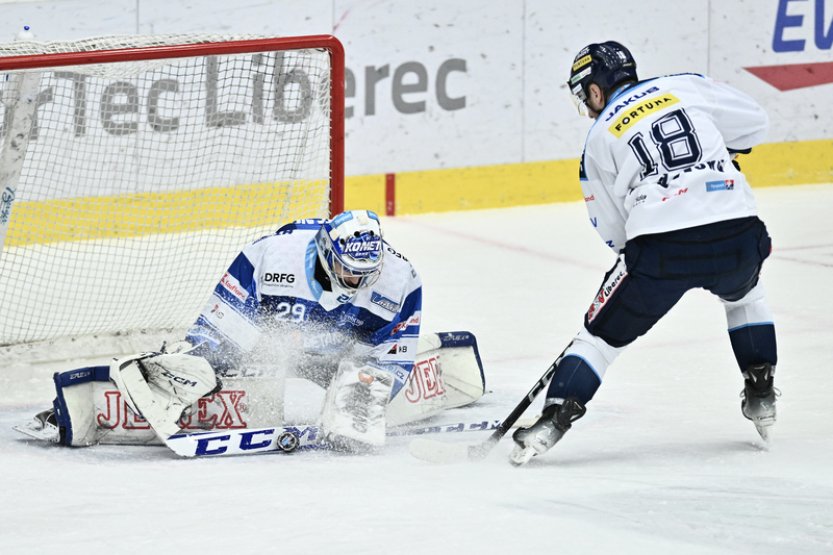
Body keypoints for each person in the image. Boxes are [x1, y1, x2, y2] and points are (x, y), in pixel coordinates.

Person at [510, 41, 778, 465]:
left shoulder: (598, 138)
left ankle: (552, 421)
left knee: (598, 339)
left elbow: (615, 232)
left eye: (585, 96)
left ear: (596, 91)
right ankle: (762, 391)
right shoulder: (686, 86)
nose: (587, 106)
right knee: (746, 296)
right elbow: (755, 125)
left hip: (661, 248)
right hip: (739, 231)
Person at [25, 209, 424, 452]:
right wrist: (204, 360)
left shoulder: (399, 279)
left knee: (358, 414)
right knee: (201, 365)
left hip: (339, 356)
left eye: (365, 275)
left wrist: (369, 391)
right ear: (325, 252)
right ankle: (122, 401)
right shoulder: (270, 253)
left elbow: (394, 353)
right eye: (348, 273)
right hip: (266, 345)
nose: (358, 284)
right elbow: (220, 322)